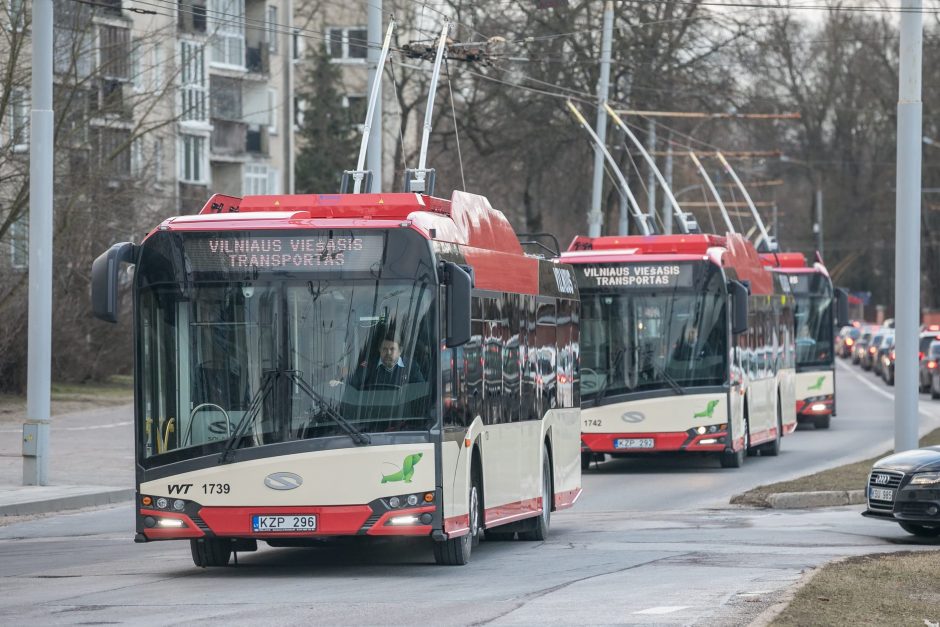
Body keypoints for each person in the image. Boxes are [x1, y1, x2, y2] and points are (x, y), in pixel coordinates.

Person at [348, 337, 425, 389]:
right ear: (379, 349)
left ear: (400, 351)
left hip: (402, 411)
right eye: (384, 349)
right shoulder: (369, 365)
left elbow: (420, 390)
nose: (388, 352)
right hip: (371, 411)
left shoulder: (411, 366)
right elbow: (352, 385)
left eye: (392, 349)